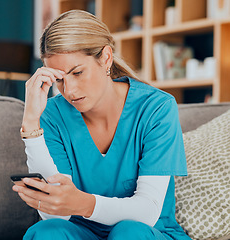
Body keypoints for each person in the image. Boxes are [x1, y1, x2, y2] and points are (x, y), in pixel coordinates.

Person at [12, 9, 191, 240]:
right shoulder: (52, 116)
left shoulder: (157, 108)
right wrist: (31, 125)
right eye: (59, 80)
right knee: (46, 232)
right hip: (81, 232)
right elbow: (55, 215)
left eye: (77, 72)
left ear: (105, 58)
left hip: (146, 232)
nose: (70, 90)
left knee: (128, 233)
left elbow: (147, 211)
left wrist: (83, 204)